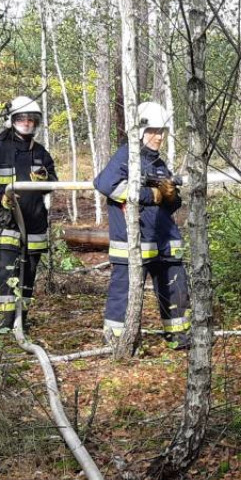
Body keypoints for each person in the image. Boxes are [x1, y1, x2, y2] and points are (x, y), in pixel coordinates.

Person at [94, 101, 190, 349]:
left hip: (165, 242)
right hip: (134, 243)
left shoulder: (159, 164)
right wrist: (151, 194)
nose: (158, 137)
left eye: (162, 132)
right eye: (153, 131)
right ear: (139, 131)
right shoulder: (127, 156)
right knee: (123, 293)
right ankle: (118, 341)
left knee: (175, 289)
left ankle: (178, 337)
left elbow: (170, 206)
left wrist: (170, 196)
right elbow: (105, 184)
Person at [0, 95, 57, 329]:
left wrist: (45, 179)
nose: (27, 122)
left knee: (28, 274)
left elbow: (52, 181)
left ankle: (22, 321)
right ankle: (2, 323)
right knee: (6, 272)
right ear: (11, 119)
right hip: (7, 222)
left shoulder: (40, 152)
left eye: (32, 119)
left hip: (35, 224)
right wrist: (1, 196)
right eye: (22, 118)